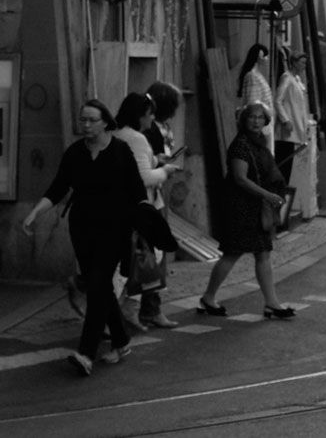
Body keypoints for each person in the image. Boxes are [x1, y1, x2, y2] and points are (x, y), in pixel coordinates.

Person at [22, 100, 148, 376]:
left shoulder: (120, 151)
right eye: (83, 120)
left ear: (105, 122)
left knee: (100, 282)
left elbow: (138, 192)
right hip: (83, 229)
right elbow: (57, 188)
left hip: (115, 228)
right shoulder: (75, 153)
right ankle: (122, 339)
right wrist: (35, 213)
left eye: (92, 120)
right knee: (98, 286)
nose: (86, 125)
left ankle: (86, 353)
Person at [198, 102, 296, 320]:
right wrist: (267, 195)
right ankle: (208, 297)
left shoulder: (259, 143)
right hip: (240, 206)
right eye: (252, 117)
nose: (256, 121)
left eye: (260, 117)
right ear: (244, 120)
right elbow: (240, 178)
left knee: (263, 253)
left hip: (256, 208)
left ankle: (272, 303)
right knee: (232, 253)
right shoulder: (240, 145)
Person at [113, 93, 183, 329]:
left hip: (123, 206)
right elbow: (143, 177)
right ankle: (126, 312)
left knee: (135, 261)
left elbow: (139, 164)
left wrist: (156, 159)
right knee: (143, 260)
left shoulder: (117, 134)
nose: (152, 118)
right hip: (141, 207)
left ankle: (132, 311)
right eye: (149, 113)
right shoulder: (136, 138)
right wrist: (166, 171)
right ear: (140, 114)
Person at [275, 51, 310, 183]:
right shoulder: (286, 78)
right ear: (294, 63)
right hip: (288, 128)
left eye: (305, 63)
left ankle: (284, 192)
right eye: (302, 63)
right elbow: (278, 100)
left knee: (289, 163)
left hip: (296, 126)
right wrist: (285, 120)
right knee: (284, 161)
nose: (304, 66)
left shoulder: (297, 80)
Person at [237, 44, 274, 154]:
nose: (267, 59)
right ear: (260, 56)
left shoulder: (257, 75)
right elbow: (253, 102)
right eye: (265, 56)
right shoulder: (252, 76)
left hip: (264, 122)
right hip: (259, 124)